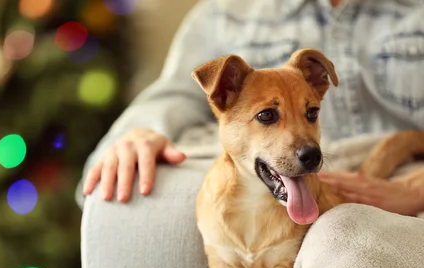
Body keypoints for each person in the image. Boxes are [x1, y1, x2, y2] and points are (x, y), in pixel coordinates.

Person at [80, 0, 424, 215]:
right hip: (300, 193)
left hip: (408, 184)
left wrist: (416, 189)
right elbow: (173, 98)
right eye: (268, 115)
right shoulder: (223, 14)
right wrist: (141, 132)